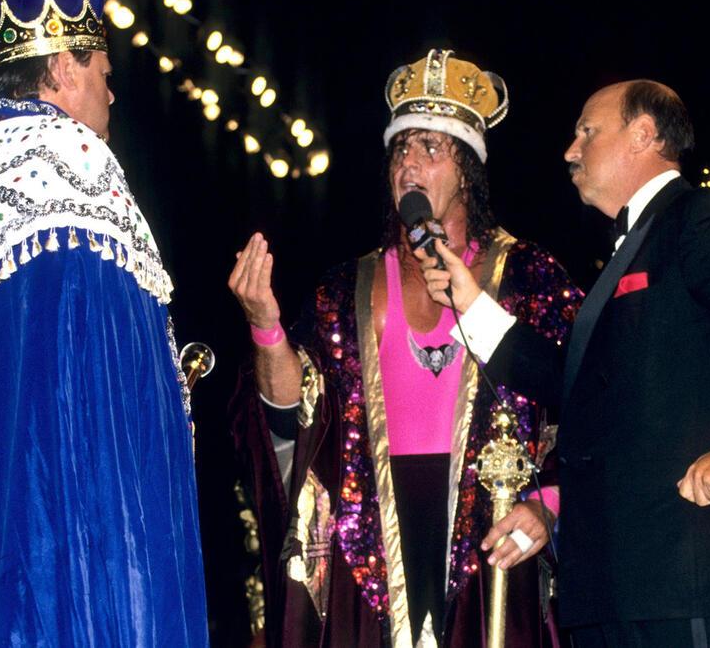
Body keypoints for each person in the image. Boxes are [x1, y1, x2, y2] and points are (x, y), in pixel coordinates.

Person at [417, 79, 710, 646]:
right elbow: (576, 387)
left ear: (643, 134)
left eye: (587, 131)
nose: (571, 149)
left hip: (682, 573)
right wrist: (471, 305)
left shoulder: (696, 216)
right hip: (612, 583)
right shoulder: (629, 245)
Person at [0, 0, 207, 646]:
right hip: (66, 564)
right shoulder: (80, 168)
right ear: (63, 68)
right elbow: (109, 402)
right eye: (103, 74)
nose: (111, 95)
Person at [228, 49, 582, 647]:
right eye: (399, 149)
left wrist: (549, 502)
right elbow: (296, 416)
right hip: (370, 550)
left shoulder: (528, 277)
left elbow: (593, 399)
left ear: (467, 169)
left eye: (430, 147)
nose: (409, 163)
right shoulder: (344, 290)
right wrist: (266, 326)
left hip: (491, 541)